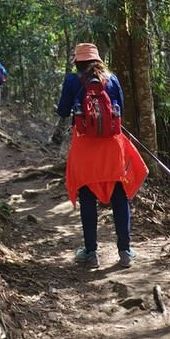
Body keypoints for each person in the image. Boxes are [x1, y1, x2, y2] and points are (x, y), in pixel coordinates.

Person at [57, 42, 148, 269]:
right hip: (112, 146)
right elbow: (121, 110)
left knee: (87, 195)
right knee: (119, 195)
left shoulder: (72, 80)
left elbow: (62, 111)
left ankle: (91, 253)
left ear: (78, 62)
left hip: (84, 146)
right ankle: (125, 252)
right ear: (97, 60)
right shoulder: (112, 79)